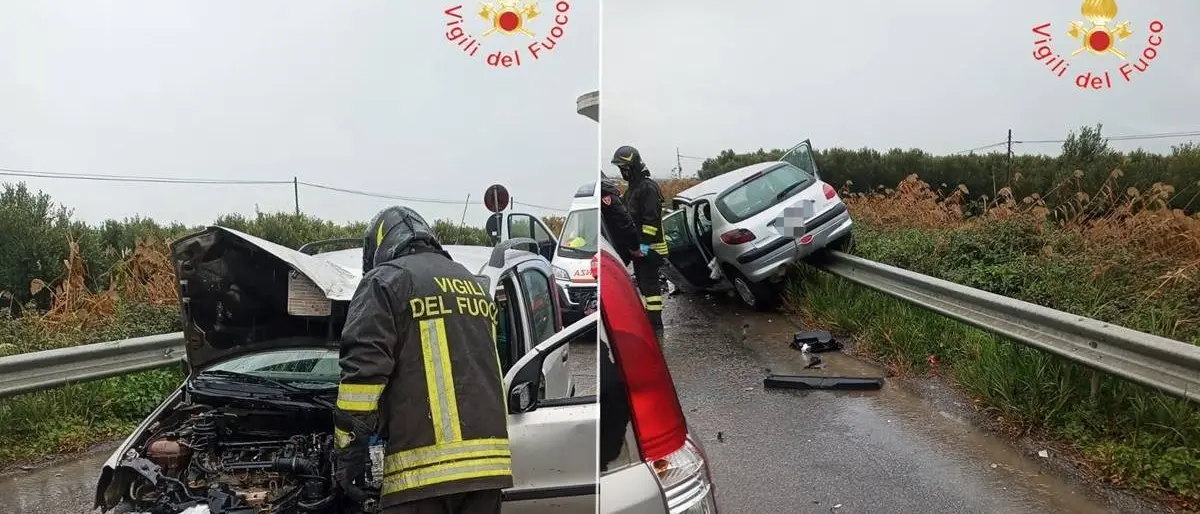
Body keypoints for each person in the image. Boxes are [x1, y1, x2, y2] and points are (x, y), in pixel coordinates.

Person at [334, 205, 512, 514]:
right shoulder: (471, 283)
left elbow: (362, 380)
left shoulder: (385, 282)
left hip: (421, 476)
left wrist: (348, 453)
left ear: (379, 246)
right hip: (488, 470)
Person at [611, 146, 667, 340]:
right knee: (643, 285)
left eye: (624, 168)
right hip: (639, 248)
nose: (622, 172)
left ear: (632, 166)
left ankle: (656, 327)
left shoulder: (648, 188)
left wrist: (642, 246)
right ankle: (650, 322)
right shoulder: (632, 190)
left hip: (650, 248)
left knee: (651, 288)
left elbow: (651, 221)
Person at [599, 177, 641, 265]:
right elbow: (624, 222)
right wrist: (635, 247)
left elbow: (624, 222)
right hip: (613, 250)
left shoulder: (604, 195)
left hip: (612, 250)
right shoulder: (606, 194)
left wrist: (634, 246)